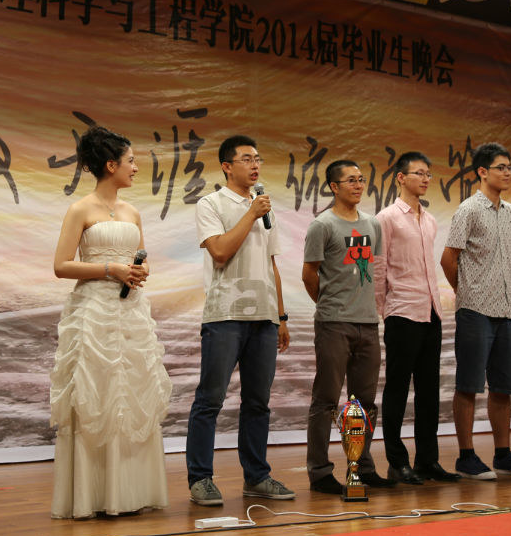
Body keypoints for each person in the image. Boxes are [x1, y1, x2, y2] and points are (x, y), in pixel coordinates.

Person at [49, 126, 172, 518]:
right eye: (131, 161)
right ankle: (95, 496)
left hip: (130, 313)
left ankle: (130, 493)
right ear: (110, 165)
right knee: (96, 395)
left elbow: (141, 258)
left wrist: (139, 270)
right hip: (93, 313)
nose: (135, 168)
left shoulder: (132, 212)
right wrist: (110, 269)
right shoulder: (80, 209)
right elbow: (61, 265)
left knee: (130, 394)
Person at [186, 135, 293, 506]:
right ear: (227, 166)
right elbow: (219, 252)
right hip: (225, 314)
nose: (255, 165)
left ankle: (257, 476)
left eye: (258, 158)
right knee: (210, 399)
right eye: (247, 158)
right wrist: (251, 214)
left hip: (264, 317)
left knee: (258, 402)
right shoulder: (211, 204)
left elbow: (272, 264)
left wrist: (281, 316)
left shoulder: (264, 207)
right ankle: (200, 478)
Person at [441, 142, 511, 480]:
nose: (507, 173)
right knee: (468, 384)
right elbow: (448, 258)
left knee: (503, 387)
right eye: (501, 167)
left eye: (510, 167)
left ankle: (503, 454)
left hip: (509, 310)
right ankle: (466, 456)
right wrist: (466, 290)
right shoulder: (468, 209)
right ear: (482, 171)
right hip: (476, 309)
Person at [303, 160, 396, 494]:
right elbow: (309, 274)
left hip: (368, 323)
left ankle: (362, 466)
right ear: (334, 186)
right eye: (351, 180)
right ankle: (319, 471)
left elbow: (370, 270)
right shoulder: (322, 225)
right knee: (326, 400)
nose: (358, 185)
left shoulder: (372, 224)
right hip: (334, 323)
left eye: (361, 179)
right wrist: (330, 305)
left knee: (364, 402)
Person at [373, 152, 460, 485]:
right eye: (418, 173)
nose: (425, 179)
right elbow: (377, 266)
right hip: (402, 311)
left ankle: (427, 460)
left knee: (428, 390)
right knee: (397, 388)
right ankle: (397, 462)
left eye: (428, 174)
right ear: (400, 177)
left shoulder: (430, 219)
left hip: (430, 311)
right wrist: (384, 309)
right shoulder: (387, 218)